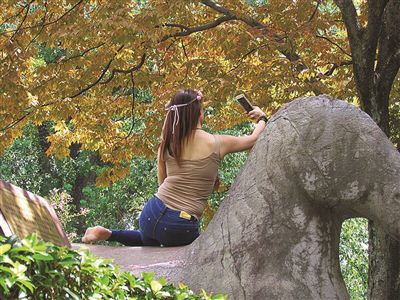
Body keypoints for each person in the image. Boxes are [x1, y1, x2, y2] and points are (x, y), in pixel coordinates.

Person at [82, 89, 267, 247]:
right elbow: (253, 139)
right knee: (201, 251)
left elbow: (162, 181)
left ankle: (109, 234)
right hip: (181, 224)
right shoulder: (218, 142)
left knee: (151, 239)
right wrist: (262, 118)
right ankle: (111, 234)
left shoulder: (168, 143)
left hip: (151, 212)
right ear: (199, 114)